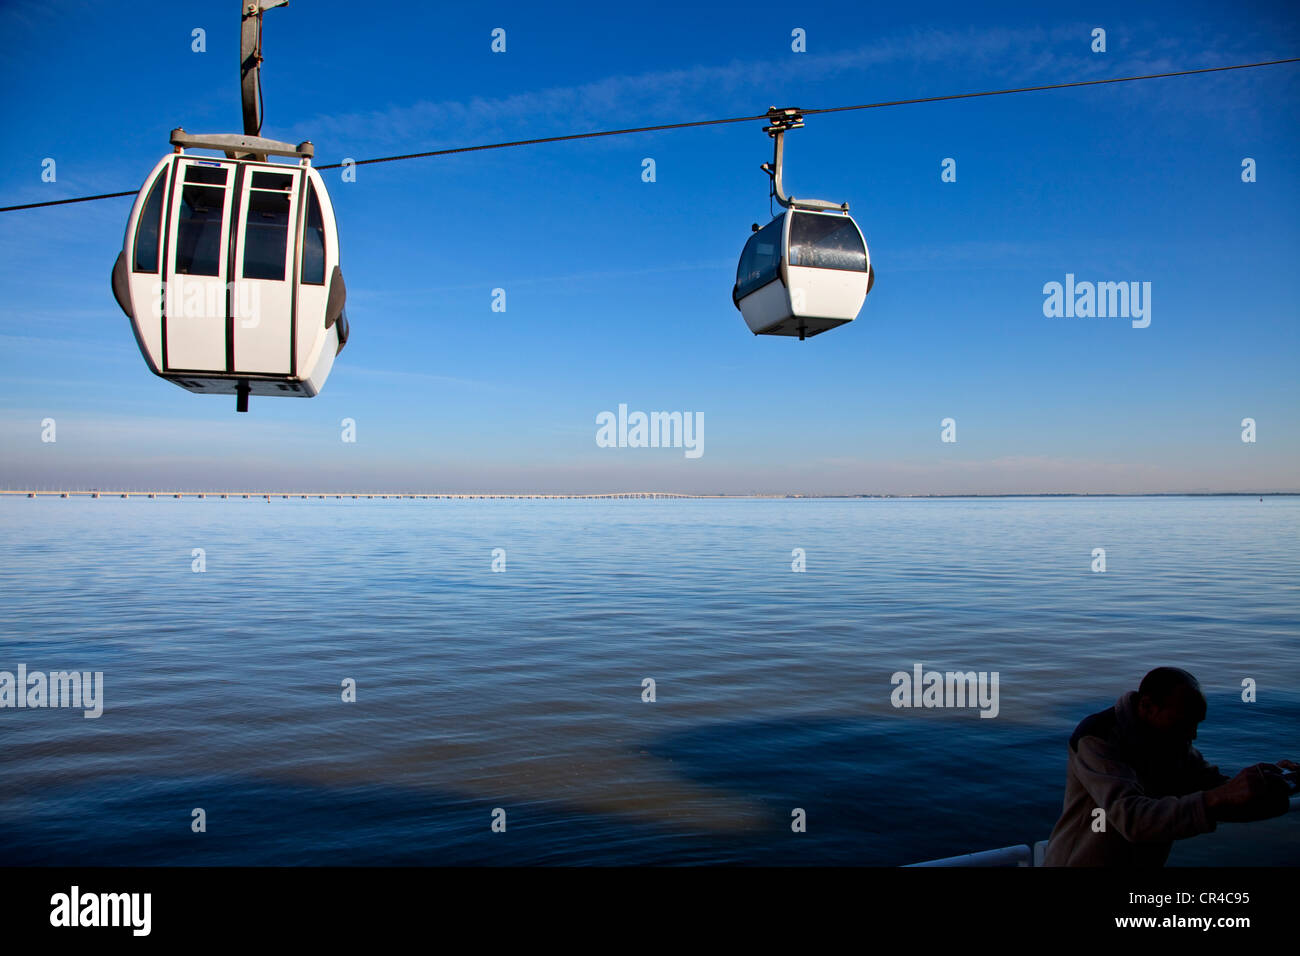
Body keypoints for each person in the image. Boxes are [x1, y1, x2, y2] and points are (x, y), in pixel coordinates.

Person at [1044, 667, 1296, 866]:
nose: (1193, 735)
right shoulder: (1097, 738)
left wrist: (1273, 784)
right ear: (1147, 706)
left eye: (1196, 724)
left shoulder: (1172, 739)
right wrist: (1222, 796)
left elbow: (1218, 792)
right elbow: (1133, 819)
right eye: (1184, 723)